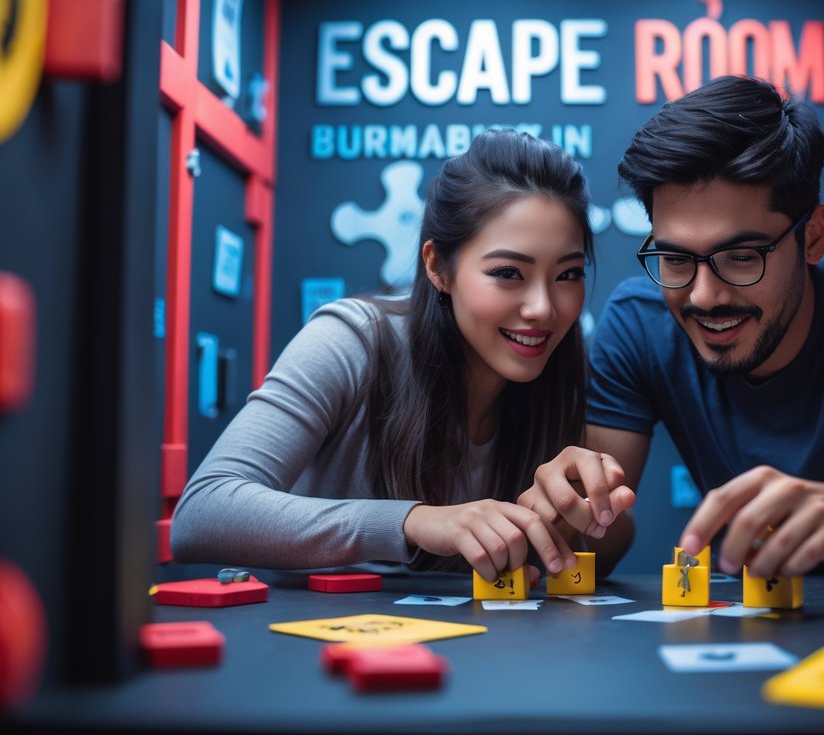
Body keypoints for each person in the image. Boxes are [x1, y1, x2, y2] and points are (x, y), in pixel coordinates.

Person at [519, 75, 824, 591]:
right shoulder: (639, 322)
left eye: (741, 257)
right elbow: (600, 535)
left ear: (813, 237)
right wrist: (571, 513)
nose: (704, 296)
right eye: (675, 259)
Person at [172, 129, 634, 582]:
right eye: (508, 272)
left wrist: (584, 510)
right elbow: (202, 514)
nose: (543, 309)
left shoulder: (556, 370)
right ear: (437, 266)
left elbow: (603, 554)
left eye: (568, 274)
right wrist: (414, 521)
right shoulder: (353, 339)